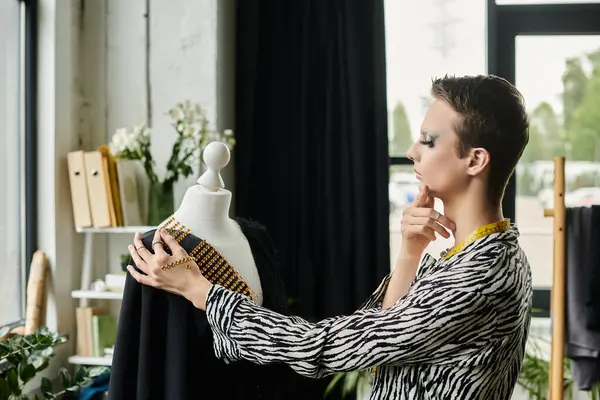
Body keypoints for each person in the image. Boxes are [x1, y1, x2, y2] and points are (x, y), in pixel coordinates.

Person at [126, 74, 533, 399]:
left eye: (428, 141)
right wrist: (410, 253)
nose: (412, 151)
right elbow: (384, 339)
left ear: (475, 159)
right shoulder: (479, 253)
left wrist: (202, 290)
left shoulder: (481, 274)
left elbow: (325, 347)